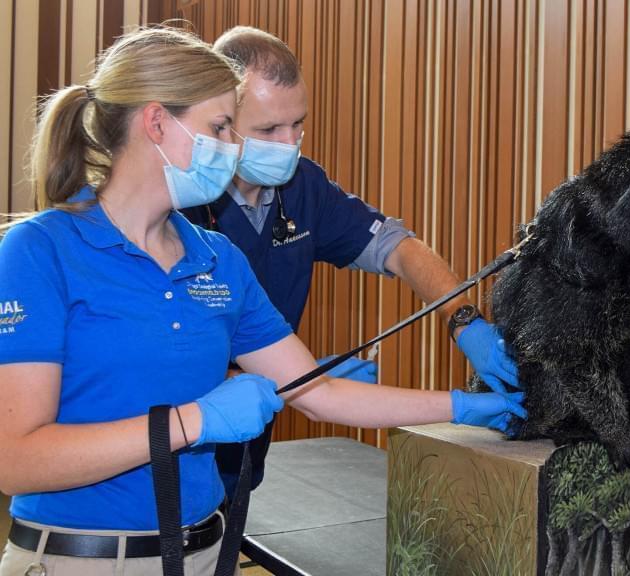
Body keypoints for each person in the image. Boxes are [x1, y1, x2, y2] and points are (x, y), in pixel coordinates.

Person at [0, 26, 524, 576]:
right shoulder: (39, 251)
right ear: (156, 122)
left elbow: (319, 395)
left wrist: (464, 408)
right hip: (79, 559)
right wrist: (195, 421)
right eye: (221, 127)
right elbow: (15, 460)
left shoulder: (219, 258)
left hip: (204, 553)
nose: (233, 148)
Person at [181, 26, 521, 497]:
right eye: (268, 130)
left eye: (298, 123)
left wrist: (466, 322)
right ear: (219, 121)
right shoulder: (178, 207)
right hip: (165, 461)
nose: (289, 142)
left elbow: (401, 250)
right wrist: (288, 380)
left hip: (239, 468)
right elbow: (158, 360)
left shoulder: (304, 188)